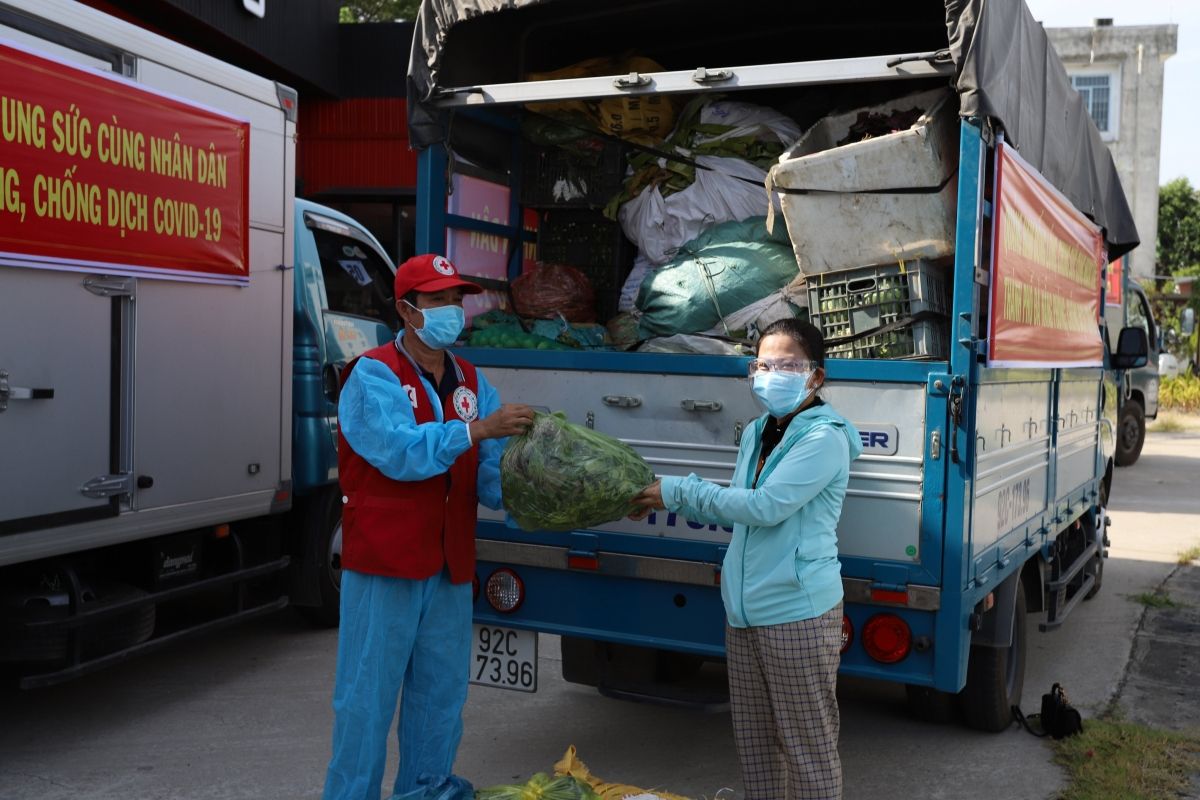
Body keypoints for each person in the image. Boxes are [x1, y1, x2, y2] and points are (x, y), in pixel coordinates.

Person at [323, 254, 534, 800]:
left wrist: (547, 494)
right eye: (437, 300)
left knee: (439, 697)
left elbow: (490, 476)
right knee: (366, 699)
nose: (451, 310)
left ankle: (425, 791)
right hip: (385, 562)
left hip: (448, 564)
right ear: (406, 310)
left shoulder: (469, 379)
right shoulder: (372, 374)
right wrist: (477, 430)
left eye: (456, 300)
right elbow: (398, 453)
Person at [631, 318, 861, 800]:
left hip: (797, 613)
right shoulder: (759, 430)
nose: (771, 373)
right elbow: (738, 501)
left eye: (787, 364)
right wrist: (661, 497)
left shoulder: (825, 439)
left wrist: (674, 490)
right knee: (756, 751)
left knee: (806, 752)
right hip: (744, 611)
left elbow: (765, 506)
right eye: (763, 363)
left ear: (815, 376)